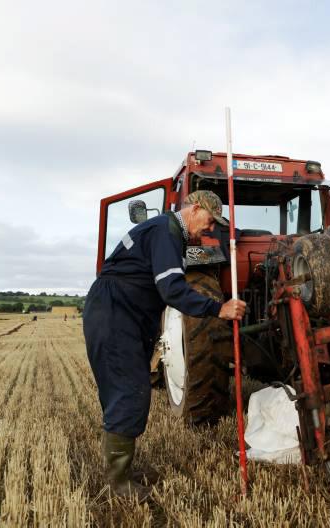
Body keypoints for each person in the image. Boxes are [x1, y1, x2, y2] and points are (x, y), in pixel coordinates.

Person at [83, 190, 246, 501]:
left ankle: (123, 470)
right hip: (115, 313)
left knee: (131, 390)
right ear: (195, 209)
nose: (211, 229)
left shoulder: (166, 231)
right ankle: (117, 483)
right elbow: (172, 289)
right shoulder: (165, 231)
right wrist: (218, 309)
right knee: (129, 392)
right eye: (210, 221)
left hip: (120, 312)